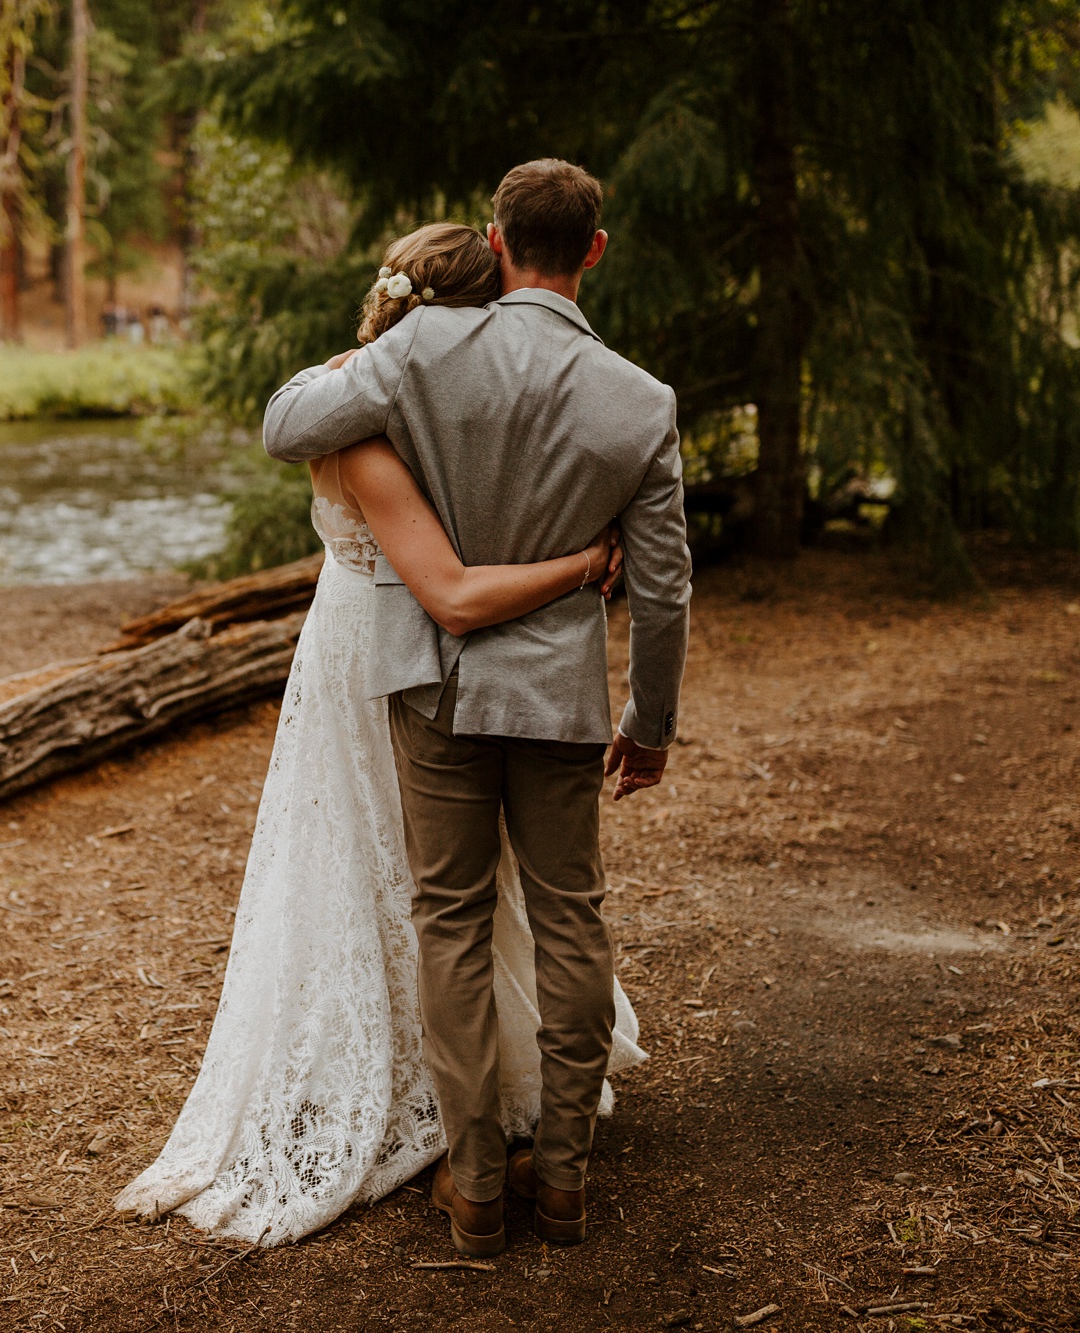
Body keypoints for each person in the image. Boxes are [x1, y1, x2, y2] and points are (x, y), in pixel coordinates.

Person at [113, 220, 649, 1247]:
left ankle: (469, 1105)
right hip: (383, 656)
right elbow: (444, 586)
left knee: (443, 886)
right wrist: (586, 566)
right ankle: (413, 1086)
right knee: (388, 874)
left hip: (390, 642)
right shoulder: (369, 408)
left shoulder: (369, 386)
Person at [260, 159, 691, 1257]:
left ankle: (475, 1185)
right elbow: (662, 585)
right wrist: (646, 722)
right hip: (557, 697)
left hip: (438, 693)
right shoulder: (639, 402)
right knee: (569, 917)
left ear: (497, 240)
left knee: (447, 919)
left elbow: (286, 426)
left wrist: (366, 349)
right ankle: (563, 1182)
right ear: (594, 249)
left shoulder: (419, 351)